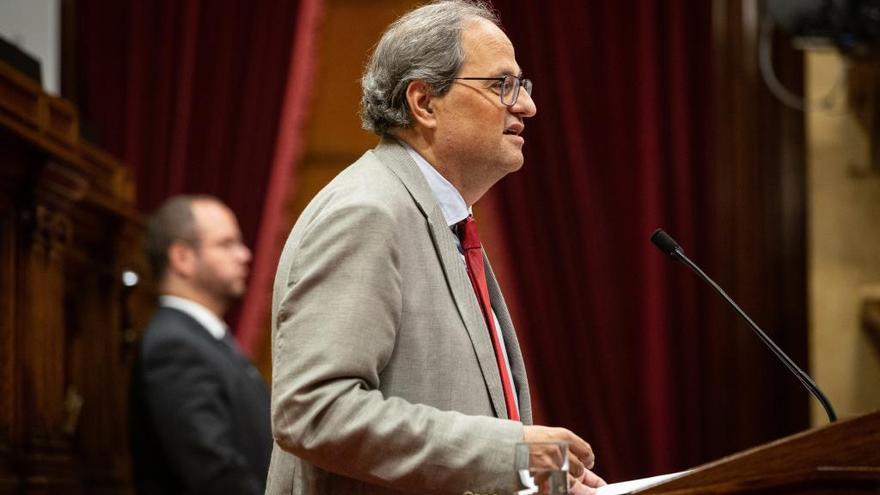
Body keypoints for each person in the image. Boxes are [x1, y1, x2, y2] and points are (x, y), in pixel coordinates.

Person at [267, 1, 606, 494]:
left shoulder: (437, 216)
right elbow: (314, 412)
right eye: (501, 85)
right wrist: (511, 456)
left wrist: (549, 479)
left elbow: (453, 405)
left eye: (522, 85)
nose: (527, 105)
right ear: (424, 103)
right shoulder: (368, 212)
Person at [130, 195, 272, 495]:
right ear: (182, 258)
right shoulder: (173, 346)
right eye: (226, 244)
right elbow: (214, 473)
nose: (244, 254)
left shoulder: (205, 338)